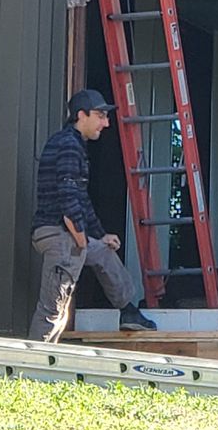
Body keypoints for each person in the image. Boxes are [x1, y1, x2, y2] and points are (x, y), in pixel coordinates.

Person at [28, 88, 156, 342]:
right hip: (60, 233)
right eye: (100, 115)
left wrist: (99, 235)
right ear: (81, 115)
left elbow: (81, 200)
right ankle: (31, 364)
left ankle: (128, 312)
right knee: (54, 308)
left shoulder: (72, 144)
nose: (106, 123)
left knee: (104, 253)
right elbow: (67, 196)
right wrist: (81, 238)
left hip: (67, 231)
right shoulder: (68, 145)